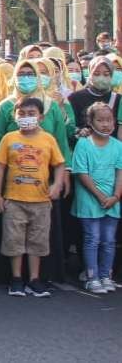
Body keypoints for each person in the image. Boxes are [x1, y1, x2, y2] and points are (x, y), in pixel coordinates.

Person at [0, 96, 66, 297]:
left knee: (38, 241)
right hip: (14, 200)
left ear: (41, 117)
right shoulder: (9, 138)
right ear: (15, 116)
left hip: (41, 201)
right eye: (21, 114)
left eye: (31, 114)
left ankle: (34, 278)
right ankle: (16, 278)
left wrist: (57, 185)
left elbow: (59, 164)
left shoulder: (48, 139)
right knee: (13, 240)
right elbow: (0, 167)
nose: (26, 117)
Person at [70, 102, 122, 294]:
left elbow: (120, 173)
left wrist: (116, 196)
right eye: (100, 120)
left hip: (112, 202)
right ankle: (92, 277)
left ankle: (106, 275)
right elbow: (82, 174)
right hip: (90, 202)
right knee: (92, 238)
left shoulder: (118, 146)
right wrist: (101, 196)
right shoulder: (83, 144)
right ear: (90, 123)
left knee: (109, 240)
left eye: (109, 120)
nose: (105, 124)